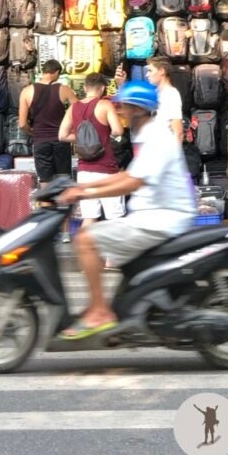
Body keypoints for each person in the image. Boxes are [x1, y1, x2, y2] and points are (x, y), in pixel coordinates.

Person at [57, 80, 196, 339]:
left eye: (125, 106)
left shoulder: (156, 137)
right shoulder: (145, 134)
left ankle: (100, 312)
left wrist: (87, 191)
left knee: (86, 239)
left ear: (139, 109)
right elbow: (127, 176)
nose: (119, 110)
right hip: (152, 215)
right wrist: (85, 189)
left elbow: (132, 182)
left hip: (161, 218)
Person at [19, 60, 76, 242]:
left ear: (43, 71)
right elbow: (78, 110)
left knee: (45, 186)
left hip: (40, 142)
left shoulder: (27, 91)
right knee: (63, 185)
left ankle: (47, 232)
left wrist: (33, 132)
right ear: (57, 72)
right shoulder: (64, 89)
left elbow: (22, 123)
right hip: (60, 141)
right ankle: (66, 232)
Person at [58, 72, 125, 226]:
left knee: (89, 217)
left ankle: (82, 250)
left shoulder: (73, 108)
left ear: (85, 87)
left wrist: (83, 138)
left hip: (84, 170)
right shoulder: (105, 105)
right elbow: (118, 131)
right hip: (106, 168)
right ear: (102, 88)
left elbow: (62, 135)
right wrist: (103, 135)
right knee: (115, 218)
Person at [117, 56, 183, 143]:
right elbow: (131, 108)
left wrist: (174, 154)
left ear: (162, 71)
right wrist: (121, 84)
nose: (147, 75)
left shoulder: (171, 94)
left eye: (150, 70)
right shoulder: (153, 92)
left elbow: (178, 131)